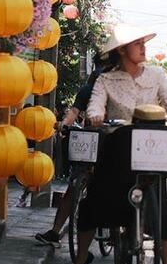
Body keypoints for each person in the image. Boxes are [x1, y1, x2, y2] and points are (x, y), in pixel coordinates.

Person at [70, 24, 167, 264]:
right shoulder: (106, 80)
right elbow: (95, 104)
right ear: (122, 50)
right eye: (137, 43)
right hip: (118, 147)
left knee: (160, 205)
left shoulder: (157, 75)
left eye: (143, 43)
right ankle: (81, 258)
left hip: (153, 149)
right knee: (94, 199)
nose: (143, 47)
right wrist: (95, 115)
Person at [35, 54, 115, 247]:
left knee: (115, 186)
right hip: (90, 142)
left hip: (113, 143)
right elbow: (74, 111)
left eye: (106, 66)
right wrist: (64, 124)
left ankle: (116, 230)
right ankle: (55, 232)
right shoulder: (87, 90)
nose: (101, 70)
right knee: (73, 186)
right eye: (100, 66)